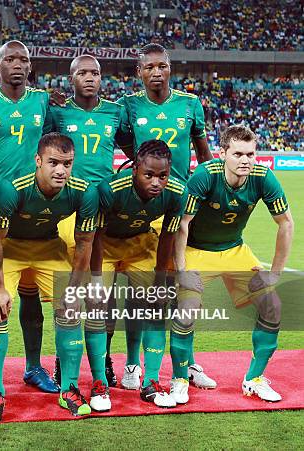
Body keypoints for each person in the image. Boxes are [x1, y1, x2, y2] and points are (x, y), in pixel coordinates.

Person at [114, 43, 214, 391]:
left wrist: (209, 192)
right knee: (142, 293)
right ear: (139, 72)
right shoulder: (128, 106)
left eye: (162, 66)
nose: (156, 72)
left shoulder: (190, 105)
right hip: (146, 211)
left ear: (171, 69)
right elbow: (127, 148)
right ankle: (131, 365)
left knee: (184, 290)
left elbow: (205, 156)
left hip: (182, 210)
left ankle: (186, 363)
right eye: (149, 67)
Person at [0, 133, 98, 421]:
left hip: (48, 248)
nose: (61, 170)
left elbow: (84, 243)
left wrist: (72, 291)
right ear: (38, 161)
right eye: (54, 163)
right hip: (9, 249)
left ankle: (69, 388)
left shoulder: (85, 192)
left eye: (67, 164)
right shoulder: (11, 189)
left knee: (70, 310)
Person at [174, 125, 293, 403]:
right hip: (196, 250)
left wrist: (274, 274)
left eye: (251, 154)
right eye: (238, 153)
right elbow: (183, 225)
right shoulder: (205, 175)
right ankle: (181, 377)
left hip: (235, 250)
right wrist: (181, 271)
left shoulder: (263, 176)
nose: (246, 160)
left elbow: (286, 223)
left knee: (272, 306)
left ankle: (254, 379)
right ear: (222, 153)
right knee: (187, 308)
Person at [0, 40, 59, 396]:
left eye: (23, 59)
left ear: (31, 66)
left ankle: (34, 367)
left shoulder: (42, 101)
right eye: (10, 59)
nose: (17, 64)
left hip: (32, 207)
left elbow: (55, 142)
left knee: (30, 291)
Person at [44, 54, 129, 388]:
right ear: (71, 79)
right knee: (68, 289)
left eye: (95, 72)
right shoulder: (59, 114)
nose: (90, 77)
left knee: (102, 293)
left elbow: (135, 149)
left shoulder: (116, 112)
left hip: (104, 210)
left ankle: (103, 357)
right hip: (68, 208)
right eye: (83, 73)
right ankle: (63, 360)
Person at [93, 139, 187, 409]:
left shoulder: (176, 193)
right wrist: (98, 279)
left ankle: (152, 382)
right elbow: (95, 236)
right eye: (149, 175)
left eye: (163, 176)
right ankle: (100, 384)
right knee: (98, 307)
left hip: (139, 245)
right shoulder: (110, 189)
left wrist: (160, 279)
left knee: (157, 305)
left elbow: (168, 236)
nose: (157, 182)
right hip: (106, 247)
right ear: (135, 170)